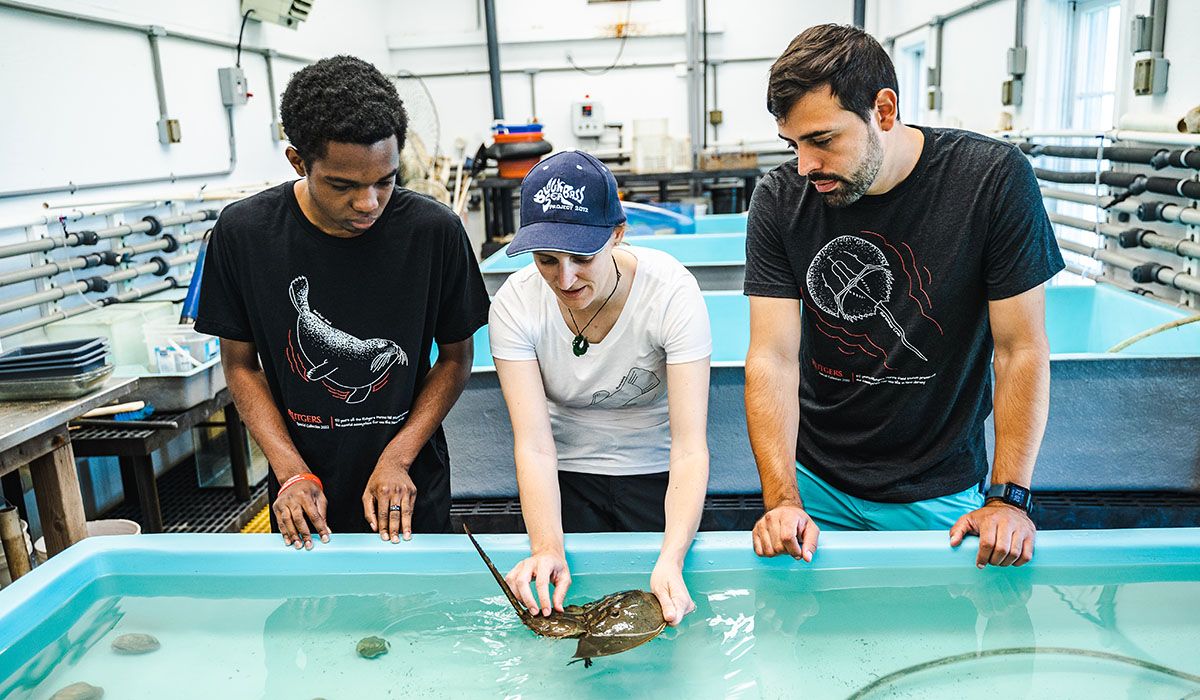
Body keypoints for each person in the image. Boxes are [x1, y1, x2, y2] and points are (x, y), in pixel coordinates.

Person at [744, 24, 1064, 568]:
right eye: (792, 145)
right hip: (813, 489)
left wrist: (1009, 498)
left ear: (884, 111)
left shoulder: (993, 181)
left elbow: (1020, 351)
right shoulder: (780, 199)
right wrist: (782, 501)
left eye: (821, 140)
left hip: (939, 495)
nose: (804, 166)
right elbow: (772, 359)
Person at [195, 55, 489, 549]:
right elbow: (242, 367)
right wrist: (290, 471)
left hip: (410, 483)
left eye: (386, 180)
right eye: (343, 185)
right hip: (302, 487)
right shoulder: (245, 234)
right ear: (298, 161)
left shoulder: (434, 232)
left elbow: (456, 358)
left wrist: (398, 457)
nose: (369, 202)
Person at [488, 150, 711, 625]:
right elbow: (534, 445)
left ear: (618, 233)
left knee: (669, 606)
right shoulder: (514, 304)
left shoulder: (670, 292)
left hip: (656, 473)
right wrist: (546, 547)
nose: (564, 279)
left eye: (583, 257)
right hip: (563, 477)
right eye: (547, 260)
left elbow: (690, 448)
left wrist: (671, 556)